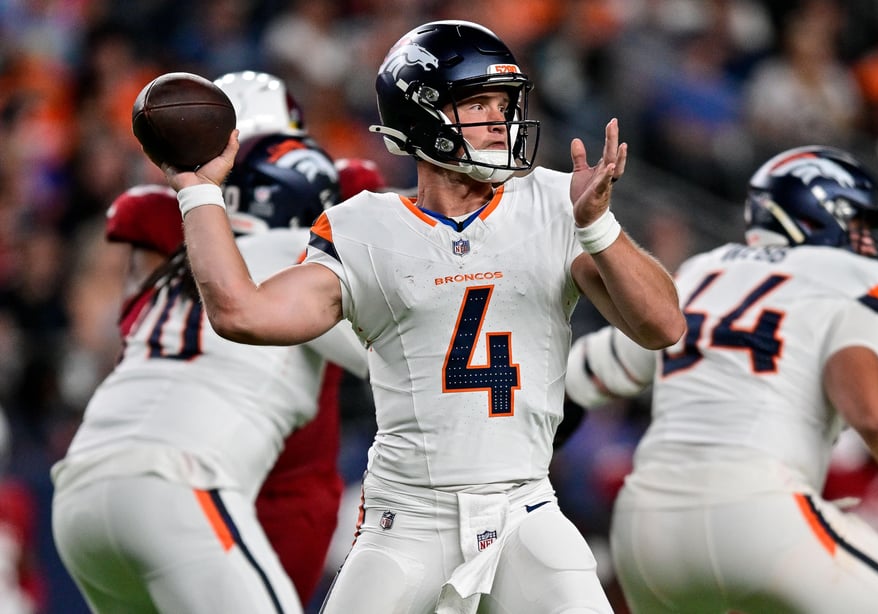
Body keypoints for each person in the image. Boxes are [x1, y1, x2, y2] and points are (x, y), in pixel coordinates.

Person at [155, 19, 685, 614]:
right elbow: (241, 312)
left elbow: (663, 326)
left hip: (524, 508)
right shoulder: (364, 227)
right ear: (421, 115)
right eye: (476, 103)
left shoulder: (557, 204)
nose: (499, 120)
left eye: (504, 103)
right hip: (405, 518)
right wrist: (198, 191)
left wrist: (599, 229)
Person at [566, 145, 878, 613]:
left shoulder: (697, 274)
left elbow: (580, 377)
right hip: (759, 514)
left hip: (646, 529)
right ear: (816, 217)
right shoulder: (848, 281)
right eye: (859, 225)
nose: (866, 241)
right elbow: (875, 415)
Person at [50, 71, 372, 614]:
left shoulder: (173, 266)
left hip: (80, 490)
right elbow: (414, 356)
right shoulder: (303, 258)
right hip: (179, 486)